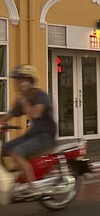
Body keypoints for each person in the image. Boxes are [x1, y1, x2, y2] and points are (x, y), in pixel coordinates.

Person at [0, 65, 57, 193]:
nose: (18, 83)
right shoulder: (22, 99)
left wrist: (24, 100)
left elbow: (35, 114)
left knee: (16, 152)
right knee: (3, 149)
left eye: (21, 80)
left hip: (45, 136)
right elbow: (9, 115)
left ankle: (33, 186)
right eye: (17, 80)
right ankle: (14, 179)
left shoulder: (41, 96)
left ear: (30, 81)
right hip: (32, 134)